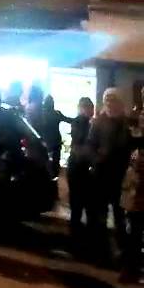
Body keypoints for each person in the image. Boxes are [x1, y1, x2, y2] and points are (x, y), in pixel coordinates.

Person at [89, 87, 134, 264]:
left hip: (120, 176)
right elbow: (91, 145)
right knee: (100, 213)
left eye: (113, 99)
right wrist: (96, 160)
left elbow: (132, 146)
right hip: (101, 175)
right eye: (107, 99)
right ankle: (101, 249)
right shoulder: (98, 122)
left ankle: (122, 251)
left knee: (119, 215)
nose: (109, 103)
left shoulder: (126, 122)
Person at [67, 97, 97, 251]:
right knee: (80, 206)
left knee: (80, 206)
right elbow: (81, 143)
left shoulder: (86, 122)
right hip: (78, 169)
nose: (91, 111)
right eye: (89, 108)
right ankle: (78, 241)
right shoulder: (81, 122)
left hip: (79, 169)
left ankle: (79, 239)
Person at [121, 149, 144, 284]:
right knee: (135, 239)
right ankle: (131, 271)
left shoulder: (134, 165)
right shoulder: (136, 168)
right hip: (137, 206)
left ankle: (129, 271)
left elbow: (126, 185)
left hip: (135, 206)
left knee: (133, 238)